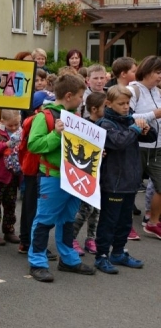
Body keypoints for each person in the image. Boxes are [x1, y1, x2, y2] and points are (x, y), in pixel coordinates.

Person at [27, 73, 94, 283]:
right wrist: (56, 134)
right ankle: (37, 262)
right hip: (53, 176)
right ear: (68, 95)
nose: (82, 100)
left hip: (74, 177)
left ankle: (68, 259)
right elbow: (34, 145)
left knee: (67, 220)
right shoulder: (44, 116)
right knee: (45, 220)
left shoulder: (75, 116)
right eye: (80, 96)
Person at [93, 86, 156, 274]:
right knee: (109, 221)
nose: (126, 107)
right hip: (113, 182)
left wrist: (145, 128)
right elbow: (119, 142)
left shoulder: (130, 119)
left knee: (125, 222)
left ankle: (119, 253)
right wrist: (135, 129)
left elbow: (152, 137)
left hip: (130, 181)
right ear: (109, 104)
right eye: (121, 103)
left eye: (128, 103)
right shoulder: (105, 124)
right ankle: (101, 255)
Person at [128, 56, 161, 239]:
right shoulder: (132, 90)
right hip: (137, 146)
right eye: (157, 72)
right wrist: (154, 114)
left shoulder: (157, 92)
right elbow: (126, 117)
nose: (160, 76)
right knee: (130, 188)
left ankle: (153, 223)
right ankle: (125, 226)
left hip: (158, 147)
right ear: (146, 71)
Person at [71, 91, 106, 255]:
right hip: (86, 174)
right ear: (94, 109)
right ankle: (71, 238)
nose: (107, 109)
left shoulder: (105, 124)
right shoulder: (84, 126)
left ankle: (91, 239)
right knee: (85, 209)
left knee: (96, 209)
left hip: (101, 172)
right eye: (104, 106)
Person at [0, 109, 22, 246]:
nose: (13, 127)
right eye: (11, 125)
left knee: (10, 204)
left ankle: (9, 230)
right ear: (2, 121)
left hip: (13, 175)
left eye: (16, 125)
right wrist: (7, 144)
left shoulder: (20, 132)